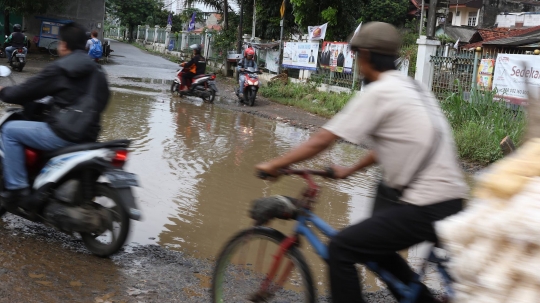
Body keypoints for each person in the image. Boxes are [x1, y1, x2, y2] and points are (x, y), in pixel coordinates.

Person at [255, 22, 468, 303]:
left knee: (341, 249)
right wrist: (349, 170)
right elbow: (391, 145)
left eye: (356, 58)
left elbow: (322, 140)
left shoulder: (379, 92)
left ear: (365, 55)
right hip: (451, 201)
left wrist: (274, 164)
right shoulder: (414, 88)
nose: (356, 65)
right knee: (377, 250)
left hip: (425, 207)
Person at [0, 22, 110, 211]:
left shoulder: (60, 68)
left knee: (9, 131)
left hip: (63, 133)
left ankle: (17, 189)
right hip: (89, 135)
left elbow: (27, 90)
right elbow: (103, 98)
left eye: (60, 42)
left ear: (64, 44)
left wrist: (4, 91)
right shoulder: (97, 70)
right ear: (84, 45)